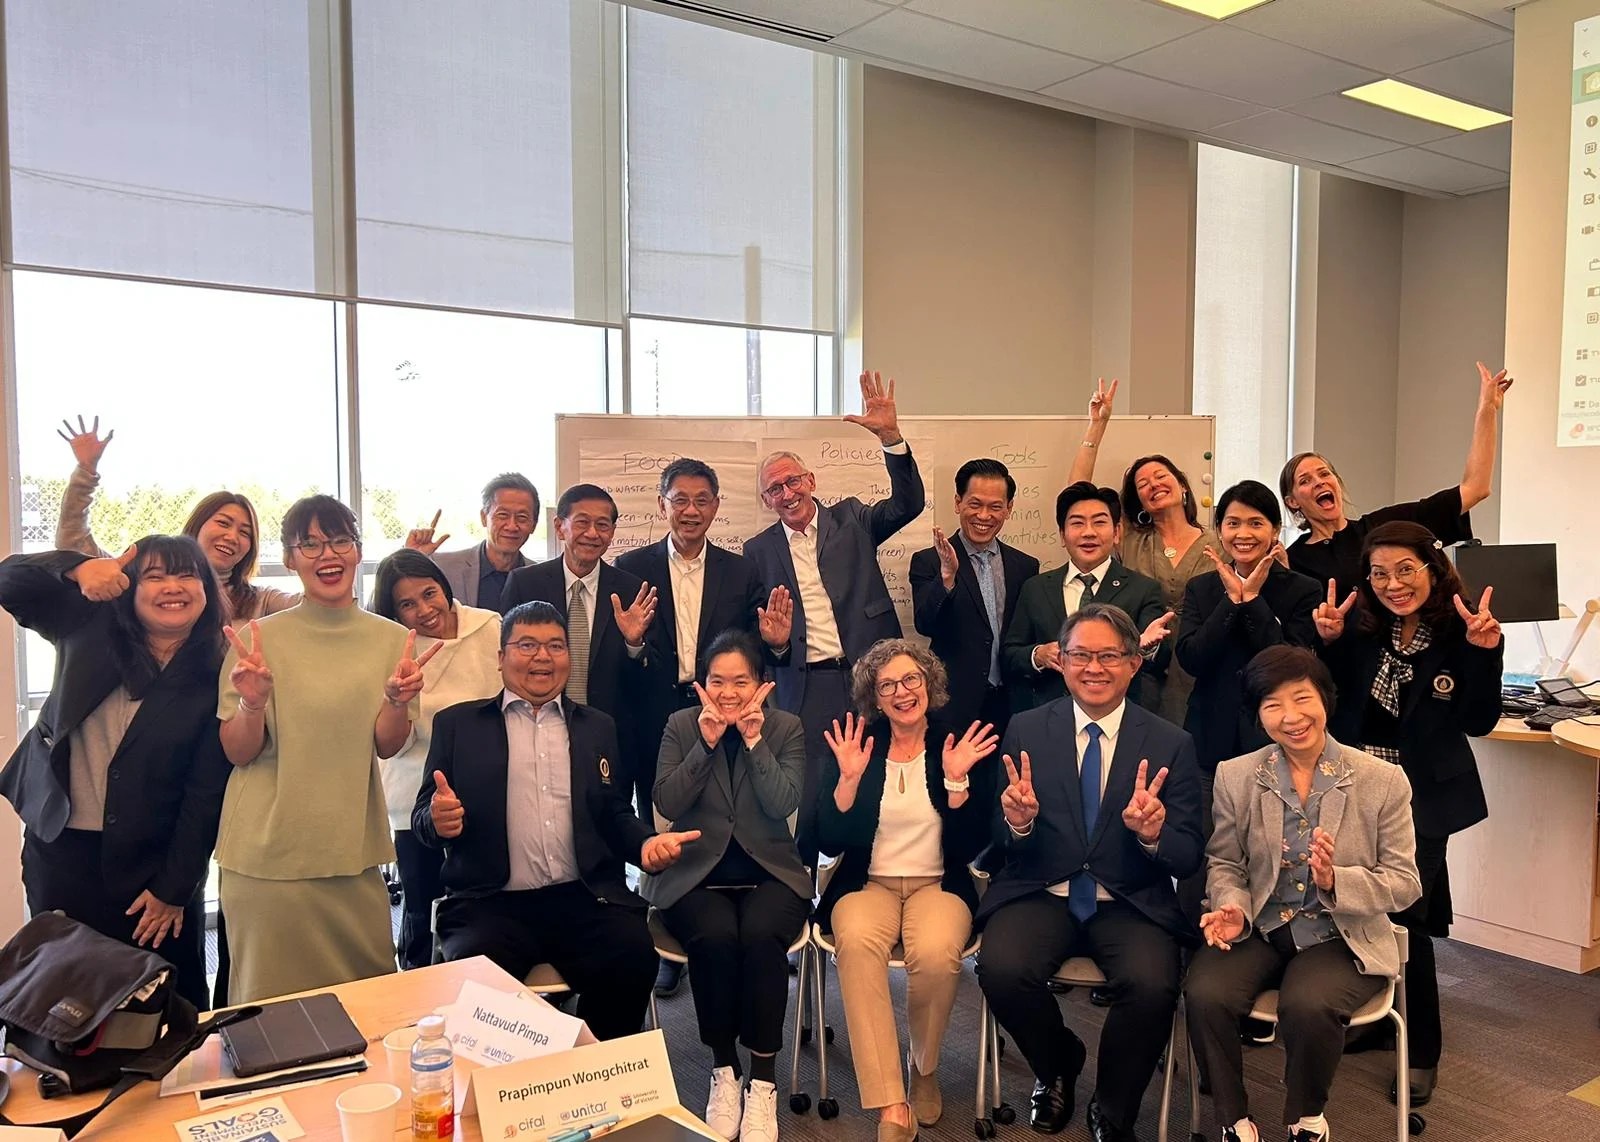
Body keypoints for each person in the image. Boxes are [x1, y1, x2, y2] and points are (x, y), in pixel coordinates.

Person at [414, 601, 696, 1040]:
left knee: (633, 954)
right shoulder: (458, 726)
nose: (542, 657)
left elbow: (614, 812)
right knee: (477, 989)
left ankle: (595, 1069)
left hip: (583, 897)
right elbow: (423, 818)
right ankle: (515, 1080)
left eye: (555, 646)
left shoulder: (597, 727)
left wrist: (645, 844)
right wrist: (437, 819)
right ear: (501, 657)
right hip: (490, 903)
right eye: (527, 645)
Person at [977, 604, 1202, 1142]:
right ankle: (1059, 1064)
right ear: (1061, 661)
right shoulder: (1027, 728)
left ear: (1134, 663)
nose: (1093, 668)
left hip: (1129, 897)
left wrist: (1152, 835)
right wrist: (1018, 824)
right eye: (1080, 655)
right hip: (1042, 889)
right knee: (1001, 968)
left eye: (1108, 656)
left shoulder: (1170, 741)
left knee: (1153, 984)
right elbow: (1000, 838)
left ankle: (1114, 1105)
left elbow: (1188, 853)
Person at [1185, 646, 1422, 1142]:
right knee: (1205, 991)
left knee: (1309, 1005)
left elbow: (1404, 883)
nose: (1291, 717)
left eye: (1302, 698)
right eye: (1272, 705)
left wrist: (1337, 880)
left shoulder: (1381, 780)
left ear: (1325, 700)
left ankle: (1306, 1117)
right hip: (1261, 926)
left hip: (1340, 935)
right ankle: (1233, 1119)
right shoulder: (1237, 775)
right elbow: (1225, 861)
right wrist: (1231, 906)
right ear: (1258, 716)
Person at [1312, 520, 1503, 1108]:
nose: (1392, 584)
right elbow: (1335, 706)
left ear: (1433, 569)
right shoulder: (1363, 628)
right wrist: (1328, 642)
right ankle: (1377, 1020)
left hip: (1421, 801)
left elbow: (1478, 722)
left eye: (1404, 570)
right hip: (1356, 789)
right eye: (1379, 574)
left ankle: (1421, 1051)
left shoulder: (1464, 629)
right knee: (1356, 905)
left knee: (1407, 920)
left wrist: (1485, 655)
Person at [0, 536, 230, 1011]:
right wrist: (77, 568)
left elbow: (205, 791)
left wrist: (173, 889)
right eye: (155, 576)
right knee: (64, 994)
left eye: (187, 575)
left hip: (155, 865)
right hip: (62, 848)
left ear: (207, 590)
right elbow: (9, 581)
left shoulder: (217, 671)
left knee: (165, 1003)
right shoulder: (87, 625)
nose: (172, 587)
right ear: (130, 588)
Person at [216, 495, 430, 1003]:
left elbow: (388, 745)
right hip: (266, 857)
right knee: (271, 1016)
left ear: (358, 551)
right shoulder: (256, 640)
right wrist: (252, 703)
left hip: (351, 852)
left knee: (370, 1008)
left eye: (339, 541)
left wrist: (396, 702)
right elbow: (238, 752)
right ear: (289, 558)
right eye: (309, 544)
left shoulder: (393, 640)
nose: (327, 554)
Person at [616, 457, 793, 996]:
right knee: (657, 813)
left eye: (701, 500)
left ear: (716, 506)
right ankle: (669, 925)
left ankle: (757, 922)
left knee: (721, 805)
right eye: (680, 499)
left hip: (723, 711)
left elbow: (757, 650)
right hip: (654, 711)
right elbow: (618, 654)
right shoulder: (630, 567)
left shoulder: (741, 571)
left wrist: (778, 644)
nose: (690, 510)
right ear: (662, 503)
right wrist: (631, 643)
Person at [816, 640, 996, 1142]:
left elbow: (973, 844)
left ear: (929, 684)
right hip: (867, 883)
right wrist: (848, 782)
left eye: (911, 679)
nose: (902, 692)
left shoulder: (954, 742)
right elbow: (826, 839)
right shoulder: (858, 744)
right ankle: (893, 1105)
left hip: (938, 883)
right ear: (874, 697)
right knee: (855, 942)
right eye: (887, 685)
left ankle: (924, 1067)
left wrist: (957, 781)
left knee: (937, 953)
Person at [744, 371, 925, 865]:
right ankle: (802, 887)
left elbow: (909, 504)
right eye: (775, 489)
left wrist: (891, 438)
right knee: (809, 793)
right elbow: (759, 635)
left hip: (873, 675)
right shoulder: (756, 552)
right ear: (766, 501)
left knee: (879, 776)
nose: (787, 493)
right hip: (807, 686)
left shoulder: (853, 519)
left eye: (793, 481)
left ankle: (871, 874)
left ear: (811, 482)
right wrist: (776, 644)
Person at [645, 631, 811, 1142]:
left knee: (760, 937)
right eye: (718, 681)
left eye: (741, 681)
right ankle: (724, 1069)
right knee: (715, 937)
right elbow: (667, 802)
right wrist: (706, 743)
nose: (729, 693)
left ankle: (762, 1081)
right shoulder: (680, 725)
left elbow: (783, 802)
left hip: (771, 874)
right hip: (696, 875)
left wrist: (755, 742)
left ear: (761, 683)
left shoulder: (785, 727)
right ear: (702, 684)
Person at [1175, 481, 1321, 921]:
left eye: (1256, 523)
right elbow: (1191, 658)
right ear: (1219, 529)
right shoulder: (1201, 588)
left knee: (1271, 848)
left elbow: (1290, 664)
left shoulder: (1302, 589)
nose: (1243, 534)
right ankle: (1192, 943)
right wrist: (1230, 602)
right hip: (1209, 743)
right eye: (1233, 523)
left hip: (1277, 743)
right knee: (1202, 851)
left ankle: (1264, 935)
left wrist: (1253, 601)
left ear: (1274, 530)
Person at [369, 549, 503, 970]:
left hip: (487, 786)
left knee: (488, 905)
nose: (425, 610)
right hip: (417, 791)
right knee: (421, 904)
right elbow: (391, 743)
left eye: (429, 594)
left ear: (444, 587)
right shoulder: (392, 649)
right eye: (407, 604)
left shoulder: (489, 626)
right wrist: (398, 699)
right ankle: (416, 981)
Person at [1281, 361, 1512, 599]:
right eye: (1305, 480)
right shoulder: (1294, 560)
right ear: (1292, 501)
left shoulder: (1384, 527)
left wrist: (1487, 410)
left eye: (1324, 473)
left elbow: (1476, 488)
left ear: (1337, 482)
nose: (1319, 482)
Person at [1070, 378, 1218, 726]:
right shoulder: (1131, 540)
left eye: (1161, 476)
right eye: (1143, 484)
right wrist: (1097, 426)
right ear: (1139, 502)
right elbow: (1078, 494)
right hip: (1142, 671)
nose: (1154, 485)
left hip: (1204, 670)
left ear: (1182, 486)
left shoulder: (1219, 544)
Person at [54, 415, 297, 620]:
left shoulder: (261, 601)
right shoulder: (139, 577)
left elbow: (311, 605)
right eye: (223, 523)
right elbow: (73, 543)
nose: (232, 536)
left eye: (245, 532)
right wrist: (85, 472)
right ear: (198, 526)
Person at [1002, 482, 1171, 713]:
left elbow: (1161, 661)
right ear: (1062, 535)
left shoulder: (1143, 589)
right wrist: (1038, 655)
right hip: (1048, 716)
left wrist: (1145, 647)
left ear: (1117, 533)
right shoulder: (1035, 588)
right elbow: (1010, 654)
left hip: (1118, 717)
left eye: (1099, 522)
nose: (1088, 532)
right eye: (1077, 523)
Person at [499, 484, 658, 728]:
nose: (592, 533)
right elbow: (507, 657)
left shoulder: (631, 590)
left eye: (602, 525)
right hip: (534, 721)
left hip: (608, 728)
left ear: (612, 532)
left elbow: (646, 679)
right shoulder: (525, 583)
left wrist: (634, 644)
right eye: (582, 522)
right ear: (559, 527)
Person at [909, 459, 1039, 741]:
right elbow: (925, 624)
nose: (984, 515)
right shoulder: (928, 561)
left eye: (995, 507)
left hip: (1011, 705)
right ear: (958, 503)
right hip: (953, 706)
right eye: (975, 504)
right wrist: (947, 577)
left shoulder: (1025, 566)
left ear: (1009, 508)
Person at [404, 472, 540, 610]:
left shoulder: (541, 577)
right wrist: (410, 556)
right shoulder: (443, 567)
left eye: (522, 517)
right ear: (483, 517)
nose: (511, 526)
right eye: (502, 515)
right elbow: (403, 604)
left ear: (534, 525)